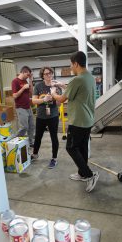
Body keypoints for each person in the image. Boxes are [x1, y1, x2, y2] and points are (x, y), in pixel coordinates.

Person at [51, 51, 99, 192]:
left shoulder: (76, 80)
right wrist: (62, 85)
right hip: (87, 119)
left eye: (71, 64)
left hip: (78, 120)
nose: (71, 67)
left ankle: (90, 175)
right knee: (82, 147)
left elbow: (61, 99)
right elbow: (76, 91)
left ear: (76, 63)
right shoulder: (89, 77)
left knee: (71, 148)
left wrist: (53, 91)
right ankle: (82, 173)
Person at [31, 66, 60, 169]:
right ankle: (35, 154)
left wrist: (54, 95)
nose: (49, 75)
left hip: (53, 116)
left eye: (50, 73)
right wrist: (44, 100)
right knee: (38, 137)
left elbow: (60, 103)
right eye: (46, 74)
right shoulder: (38, 86)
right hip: (41, 116)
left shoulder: (56, 86)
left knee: (54, 138)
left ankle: (54, 158)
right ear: (42, 76)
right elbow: (34, 101)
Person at [12, 66, 34, 147]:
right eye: (27, 75)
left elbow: (31, 92)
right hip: (21, 107)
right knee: (24, 127)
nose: (28, 76)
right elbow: (14, 96)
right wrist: (23, 88)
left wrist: (30, 80)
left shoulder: (26, 81)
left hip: (28, 106)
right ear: (23, 72)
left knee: (31, 126)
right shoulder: (15, 81)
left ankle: (31, 142)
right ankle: (15, 141)